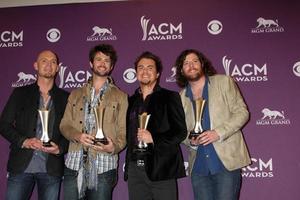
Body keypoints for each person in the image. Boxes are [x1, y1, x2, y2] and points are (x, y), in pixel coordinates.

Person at [175, 49, 251, 200]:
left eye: (195, 61)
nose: (191, 65)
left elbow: (242, 113)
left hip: (225, 162)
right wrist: (191, 140)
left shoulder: (224, 82)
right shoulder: (181, 97)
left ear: (202, 64)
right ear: (181, 70)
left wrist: (218, 133)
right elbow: (180, 131)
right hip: (199, 166)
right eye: (186, 63)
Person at [60, 44, 128, 200]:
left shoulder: (121, 96)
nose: (102, 63)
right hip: (74, 165)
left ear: (111, 67)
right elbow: (64, 125)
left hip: (104, 166)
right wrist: (77, 135)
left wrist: (113, 147)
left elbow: (123, 132)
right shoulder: (75, 94)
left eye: (106, 60)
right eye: (98, 59)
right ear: (91, 63)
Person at [0, 50, 69, 200]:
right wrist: (23, 141)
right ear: (36, 65)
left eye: (53, 62)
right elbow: (3, 124)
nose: (48, 65)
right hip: (21, 166)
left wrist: (60, 149)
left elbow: (70, 131)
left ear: (58, 68)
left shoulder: (66, 98)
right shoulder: (20, 93)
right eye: (44, 61)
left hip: (51, 168)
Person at [124, 51, 187, 200]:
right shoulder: (130, 101)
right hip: (135, 170)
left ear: (158, 73)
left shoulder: (170, 97)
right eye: (141, 67)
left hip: (162, 169)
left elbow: (180, 132)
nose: (145, 71)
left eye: (150, 68)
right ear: (136, 72)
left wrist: (154, 138)